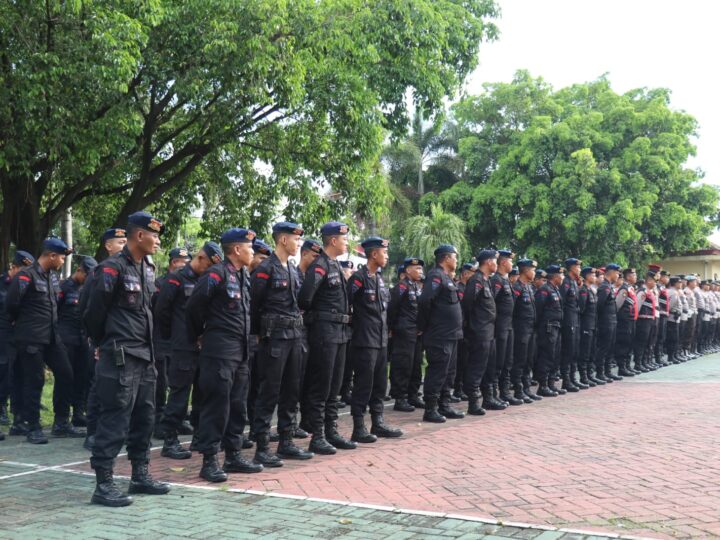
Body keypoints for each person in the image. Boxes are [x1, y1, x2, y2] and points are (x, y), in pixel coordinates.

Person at [84, 212, 170, 506]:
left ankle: (140, 474)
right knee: (115, 418)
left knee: (145, 417)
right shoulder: (111, 269)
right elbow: (93, 311)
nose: (158, 241)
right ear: (139, 236)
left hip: (145, 355)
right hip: (120, 355)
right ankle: (104, 484)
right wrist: (102, 343)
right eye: (154, 235)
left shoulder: (147, 268)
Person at [185, 228, 263, 483]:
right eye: (249, 247)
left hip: (240, 351)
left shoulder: (243, 275)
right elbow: (194, 308)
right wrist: (200, 335)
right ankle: (209, 461)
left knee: (238, 406)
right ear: (237, 250)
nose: (252, 251)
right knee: (216, 407)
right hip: (218, 350)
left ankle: (233, 455)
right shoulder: (215, 274)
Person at [250, 222, 314, 465]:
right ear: (283, 240)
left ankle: (286, 441)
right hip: (274, 338)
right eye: (295, 240)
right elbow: (254, 304)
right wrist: (257, 333)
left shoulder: (294, 270)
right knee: (269, 391)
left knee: (291, 390)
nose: (298, 244)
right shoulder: (266, 268)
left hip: (295, 337)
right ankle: (262, 446)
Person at [5, 237, 79, 444]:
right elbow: (11, 304)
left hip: (52, 337)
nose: (64, 261)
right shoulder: (26, 276)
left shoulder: (52, 278)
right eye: (62, 257)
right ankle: (32, 426)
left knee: (66, 373)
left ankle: (62, 422)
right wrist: (20, 323)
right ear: (52, 255)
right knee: (34, 380)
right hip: (30, 337)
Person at [155, 242, 221, 459]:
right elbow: (162, 311)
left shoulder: (205, 280)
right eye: (209, 264)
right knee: (180, 395)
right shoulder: (177, 278)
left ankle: (198, 437)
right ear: (201, 258)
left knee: (202, 393)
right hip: (183, 346)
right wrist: (175, 336)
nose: (210, 270)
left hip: (204, 345)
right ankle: (170, 440)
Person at [298, 222, 356, 455]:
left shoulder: (333, 265)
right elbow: (305, 298)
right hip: (325, 332)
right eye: (344, 239)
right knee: (321, 386)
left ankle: (331, 431)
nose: (347, 243)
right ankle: (318, 435)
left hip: (340, 333)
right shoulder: (320, 265)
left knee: (334, 386)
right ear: (333, 241)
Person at [346, 237, 402, 443]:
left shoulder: (378, 279)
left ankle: (378, 422)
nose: (386, 256)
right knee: (364, 384)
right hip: (364, 341)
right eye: (384, 253)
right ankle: (358, 427)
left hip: (380, 341)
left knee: (380, 384)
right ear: (374, 254)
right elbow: (346, 303)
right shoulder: (359, 278)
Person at [80, 227, 127, 451]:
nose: (124, 246)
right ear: (108, 246)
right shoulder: (100, 271)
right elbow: (88, 308)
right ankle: (92, 432)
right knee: (98, 386)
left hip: (124, 342)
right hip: (104, 341)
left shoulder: (131, 270)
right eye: (120, 242)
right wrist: (96, 340)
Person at [418, 244, 464, 422]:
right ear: (446, 258)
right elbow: (425, 302)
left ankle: (444, 405)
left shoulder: (447, 278)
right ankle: (431, 409)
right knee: (437, 371)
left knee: (449, 372)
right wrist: (426, 326)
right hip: (439, 335)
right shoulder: (436, 276)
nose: (456, 261)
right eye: (455, 257)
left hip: (452, 335)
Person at [153, 247, 191, 438]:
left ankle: (178, 419)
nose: (183, 265)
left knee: (178, 382)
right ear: (171, 263)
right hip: (161, 338)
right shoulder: (160, 283)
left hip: (178, 341)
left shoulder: (189, 281)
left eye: (186, 262)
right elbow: (160, 312)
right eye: (179, 262)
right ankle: (159, 419)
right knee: (161, 382)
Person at [58, 256, 98, 428]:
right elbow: (54, 311)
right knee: (66, 378)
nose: (88, 279)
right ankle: (61, 420)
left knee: (82, 378)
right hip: (66, 338)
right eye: (87, 275)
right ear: (79, 270)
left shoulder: (88, 289)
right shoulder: (64, 287)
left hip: (83, 339)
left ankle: (78, 414)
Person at [0, 250, 35, 436]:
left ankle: (18, 417)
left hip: (20, 335)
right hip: (3, 334)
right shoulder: (2, 283)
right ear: (13, 267)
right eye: (22, 269)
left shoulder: (29, 283)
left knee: (18, 374)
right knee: (4, 370)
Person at [461, 249, 500, 415]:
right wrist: (472, 327)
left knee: (489, 367)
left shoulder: (486, 280)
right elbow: (467, 305)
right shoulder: (476, 280)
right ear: (489, 262)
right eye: (495, 261)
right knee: (477, 368)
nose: (496, 265)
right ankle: (473, 402)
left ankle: (488, 398)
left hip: (489, 331)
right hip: (480, 331)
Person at [388, 258, 425, 412]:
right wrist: (392, 328)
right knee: (403, 364)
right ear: (408, 270)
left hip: (415, 332)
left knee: (416, 364)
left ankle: (413, 395)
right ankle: (400, 397)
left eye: (421, 269)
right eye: (417, 269)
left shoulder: (415, 287)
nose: (420, 272)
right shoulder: (401, 287)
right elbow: (392, 309)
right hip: (404, 332)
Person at [491, 250, 520, 405]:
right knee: (498, 361)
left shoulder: (506, 280)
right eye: (510, 261)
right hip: (500, 326)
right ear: (503, 262)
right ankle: (494, 394)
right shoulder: (496, 280)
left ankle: (505, 392)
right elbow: (492, 304)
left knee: (508, 361)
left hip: (509, 326)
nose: (512, 264)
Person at [534, 265, 565, 397]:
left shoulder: (555, 289)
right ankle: (543, 385)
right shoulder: (544, 290)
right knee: (546, 356)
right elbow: (538, 310)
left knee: (555, 356)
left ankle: (551, 384)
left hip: (556, 327)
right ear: (556, 276)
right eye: (561, 275)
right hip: (548, 327)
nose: (563, 277)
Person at [511, 259, 538, 403]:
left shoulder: (528, 287)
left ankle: (526, 389)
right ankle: (518, 390)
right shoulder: (516, 287)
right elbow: (512, 308)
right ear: (526, 271)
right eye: (532, 270)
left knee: (528, 360)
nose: (534, 273)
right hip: (521, 329)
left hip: (530, 329)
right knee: (520, 360)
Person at [559, 258, 583, 392]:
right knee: (568, 351)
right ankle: (566, 381)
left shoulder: (574, 282)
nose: (579, 269)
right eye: (577, 267)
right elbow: (562, 303)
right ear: (571, 268)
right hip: (568, 320)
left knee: (575, 351)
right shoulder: (566, 283)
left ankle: (573, 378)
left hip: (576, 319)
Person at [595, 264, 621, 383]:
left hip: (612, 320)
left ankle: (608, 371)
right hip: (606, 322)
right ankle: (600, 373)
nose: (618, 275)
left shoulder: (609, 286)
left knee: (611, 347)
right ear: (610, 273)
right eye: (616, 273)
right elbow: (599, 306)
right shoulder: (604, 287)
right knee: (604, 347)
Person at [577, 267, 601, 386]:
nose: (595, 277)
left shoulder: (591, 290)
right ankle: (584, 376)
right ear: (586, 276)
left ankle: (590, 375)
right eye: (592, 275)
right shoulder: (583, 291)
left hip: (592, 325)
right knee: (585, 352)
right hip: (586, 326)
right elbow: (581, 310)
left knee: (591, 351)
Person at [633, 271, 658, 372]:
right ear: (649, 281)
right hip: (643, 320)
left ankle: (645, 362)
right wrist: (636, 320)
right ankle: (638, 364)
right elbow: (637, 307)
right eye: (654, 281)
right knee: (641, 342)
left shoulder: (650, 291)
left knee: (648, 342)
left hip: (650, 319)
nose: (655, 283)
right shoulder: (642, 291)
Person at [614, 268, 637, 377]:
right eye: (633, 275)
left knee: (630, 343)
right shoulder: (624, 289)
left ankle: (627, 365)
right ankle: (622, 367)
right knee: (624, 343)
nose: (635, 276)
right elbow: (617, 305)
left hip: (631, 319)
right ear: (628, 277)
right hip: (625, 320)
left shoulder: (631, 288)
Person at [665, 276, 683, 363]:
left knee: (675, 338)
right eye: (679, 282)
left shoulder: (675, 292)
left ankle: (674, 355)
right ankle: (671, 356)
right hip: (672, 318)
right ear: (674, 283)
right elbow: (669, 306)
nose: (681, 284)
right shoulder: (672, 292)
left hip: (675, 318)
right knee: (672, 338)